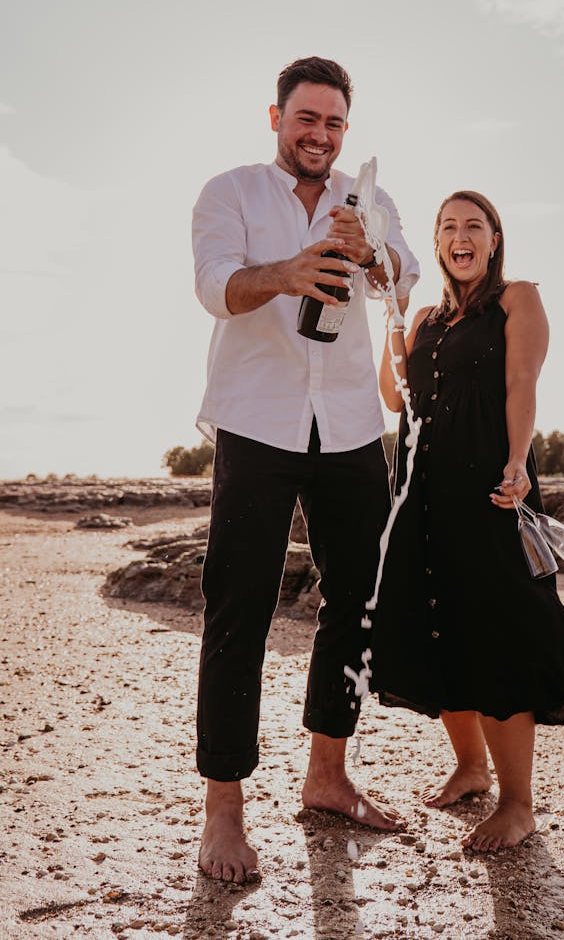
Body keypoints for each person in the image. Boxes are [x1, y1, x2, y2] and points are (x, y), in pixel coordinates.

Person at [192, 56, 419, 883]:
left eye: (333, 123)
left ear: (345, 130)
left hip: (353, 421)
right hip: (256, 421)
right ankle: (224, 813)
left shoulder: (370, 198)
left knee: (358, 599)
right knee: (238, 608)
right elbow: (215, 287)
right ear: (277, 117)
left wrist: (374, 258)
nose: (319, 135)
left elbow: (403, 284)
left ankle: (328, 774)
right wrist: (288, 271)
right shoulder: (231, 192)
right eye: (306, 118)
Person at [373, 190, 564, 852]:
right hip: (423, 492)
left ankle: (517, 802)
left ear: (494, 239)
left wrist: (518, 461)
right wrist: (391, 319)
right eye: (448, 227)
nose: (459, 235)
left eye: (473, 225)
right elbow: (394, 395)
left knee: (501, 632)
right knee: (439, 625)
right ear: (438, 243)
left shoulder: (517, 297)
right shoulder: (427, 314)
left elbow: (522, 379)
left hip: (493, 485)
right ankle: (471, 766)